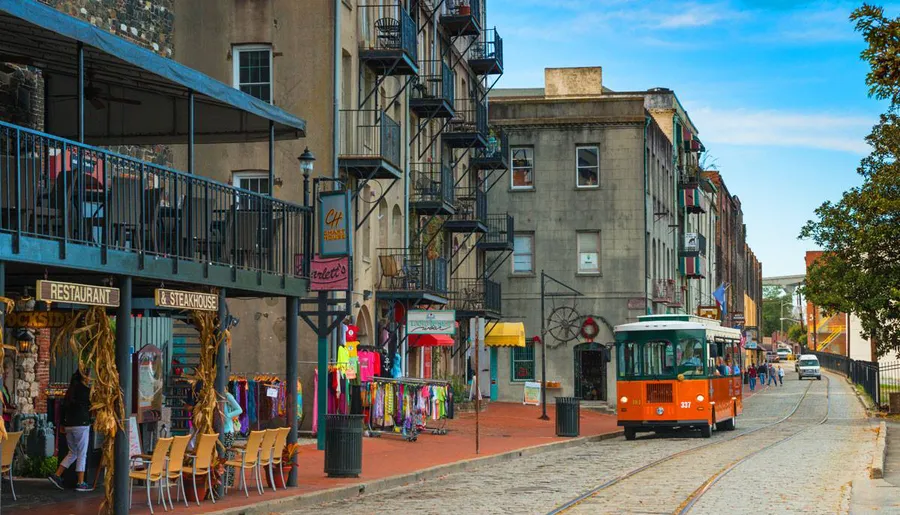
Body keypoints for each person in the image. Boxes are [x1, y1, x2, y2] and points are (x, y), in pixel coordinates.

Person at [48, 370, 92, 492]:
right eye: (89, 376)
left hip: (69, 425)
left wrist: (62, 423)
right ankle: (81, 482)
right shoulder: (86, 391)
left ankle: (57, 475)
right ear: (84, 377)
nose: (90, 378)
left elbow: (63, 407)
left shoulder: (70, 390)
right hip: (81, 425)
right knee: (82, 453)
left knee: (72, 452)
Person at [221, 391, 243, 488]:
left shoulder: (227, 396)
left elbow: (239, 409)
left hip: (228, 431)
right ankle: (222, 480)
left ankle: (228, 482)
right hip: (220, 431)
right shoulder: (216, 396)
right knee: (222, 457)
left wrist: (226, 416)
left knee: (228, 456)